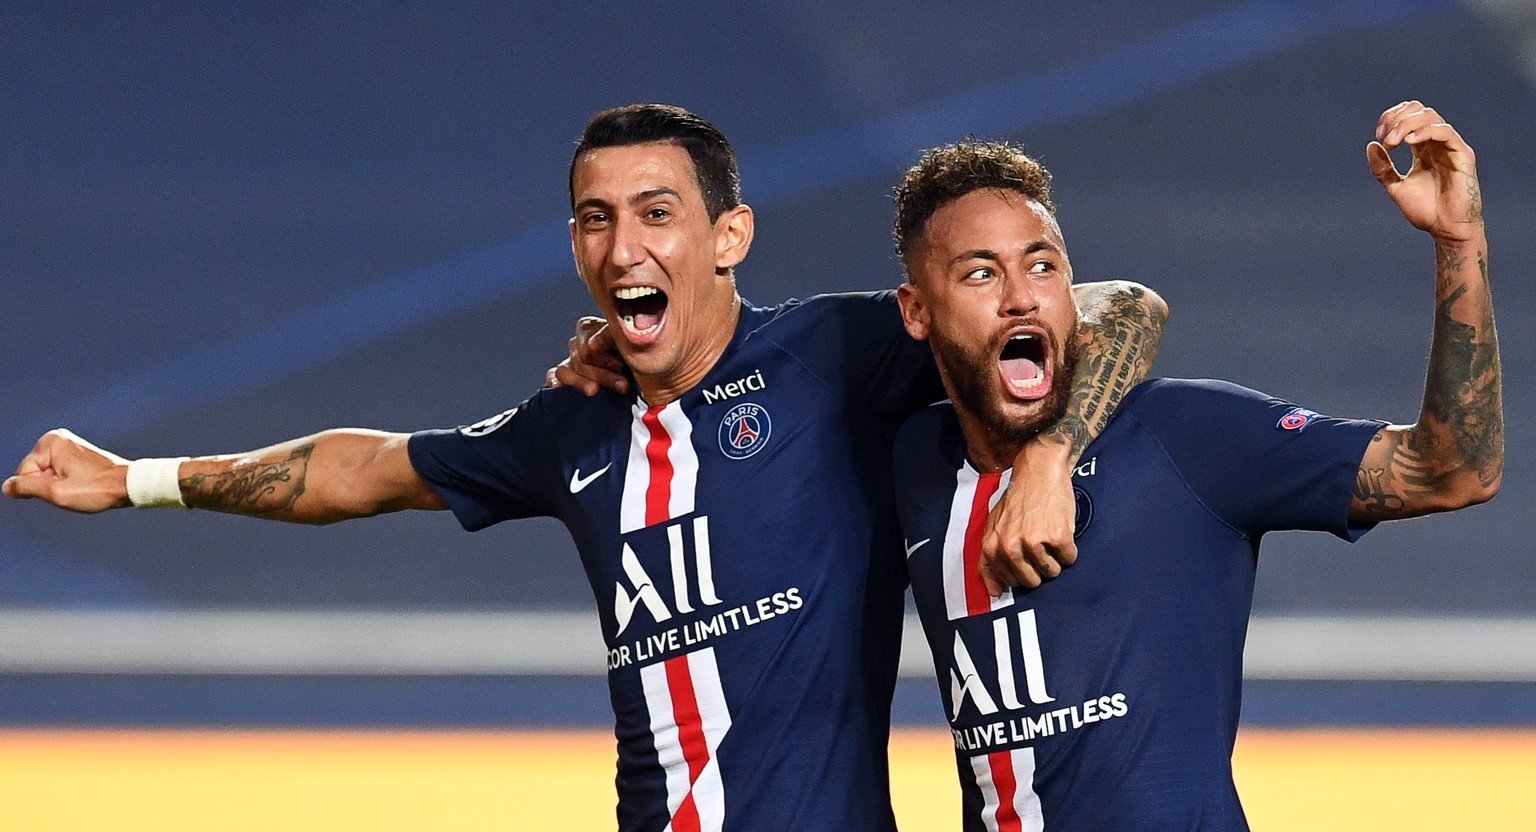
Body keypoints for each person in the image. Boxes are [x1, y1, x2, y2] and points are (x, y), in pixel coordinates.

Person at [3, 104, 1166, 830]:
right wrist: (137, 478)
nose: (621, 246)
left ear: (728, 237)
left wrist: (1052, 454)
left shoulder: (839, 355)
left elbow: (1118, 304)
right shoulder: (576, 421)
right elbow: (363, 471)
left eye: (656, 211)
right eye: (593, 218)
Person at [890, 101, 1501, 830]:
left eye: (1043, 266)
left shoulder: (1185, 436)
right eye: (980, 274)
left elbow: (1453, 470)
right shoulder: (910, 463)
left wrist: (1458, 242)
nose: (1022, 296)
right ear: (916, 311)